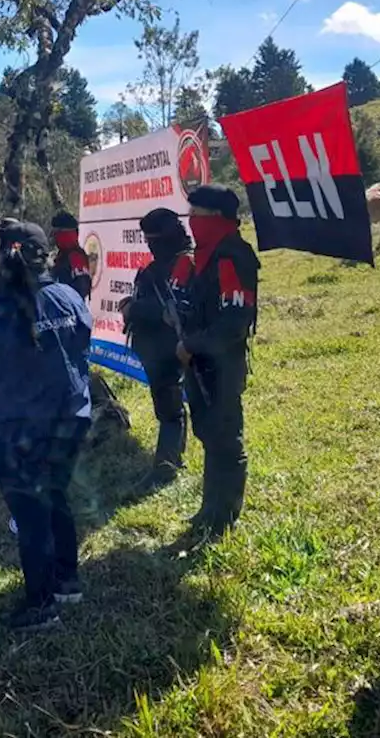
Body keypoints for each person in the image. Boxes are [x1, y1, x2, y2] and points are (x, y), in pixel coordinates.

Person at [0, 221, 92, 632]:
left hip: (17, 431)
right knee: (56, 495)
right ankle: (68, 580)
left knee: (31, 516)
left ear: (1, 259)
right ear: (45, 255)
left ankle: (41, 605)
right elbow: (83, 344)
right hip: (71, 419)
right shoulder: (69, 295)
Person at [178, 185, 260, 536]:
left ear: (215, 218)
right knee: (210, 435)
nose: (190, 222)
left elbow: (234, 322)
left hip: (221, 366)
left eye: (196, 216)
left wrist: (192, 344)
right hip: (200, 364)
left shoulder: (232, 255)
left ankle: (224, 517)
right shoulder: (206, 255)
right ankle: (209, 508)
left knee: (226, 439)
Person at [121, 208, 195, 486]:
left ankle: (165, 467)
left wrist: (134, 308)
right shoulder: (166, 264)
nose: (150, 245)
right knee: (170, 405)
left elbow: (174, 309)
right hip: (158, 348)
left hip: (171, 347)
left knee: (170, 409)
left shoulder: (184, 264)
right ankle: (172, 458)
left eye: (153, 239)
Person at [50, 210, 91, 301]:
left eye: (57, 232)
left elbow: (82, 288)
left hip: (70, 309)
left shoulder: (76, 256)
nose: (54, 237)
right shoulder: (62, 254)